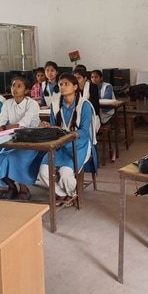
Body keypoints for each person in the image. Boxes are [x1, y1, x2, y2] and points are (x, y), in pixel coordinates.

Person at [37, 73, 95, 206]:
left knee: (65, 173)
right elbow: (55, 128)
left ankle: (71, 193)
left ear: (75, 87)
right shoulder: (55, 105)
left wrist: (67, 135)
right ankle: (63, 194)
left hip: (79, 145)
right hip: (60, 145)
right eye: (61, 84)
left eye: (66, 84)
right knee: (43, 171)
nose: (62, 87)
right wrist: (48, 127)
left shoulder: (84, 105)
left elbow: (84, 132)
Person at [0, 77, 40, 200]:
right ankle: (11, 187)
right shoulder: (7, 103)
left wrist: (2, 127)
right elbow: (0, 121)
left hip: (31, 141)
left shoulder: (32, 104)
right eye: (13, 86)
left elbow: (24, 123)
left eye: (19, 86)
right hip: (13, 140)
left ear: (26, 90)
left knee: (15, 158)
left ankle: (24, 189)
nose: (14, 89)